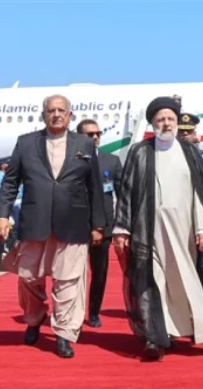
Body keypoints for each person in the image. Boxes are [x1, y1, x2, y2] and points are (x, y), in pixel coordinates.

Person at [0, 95, 106, 359]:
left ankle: (64, 333)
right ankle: (34, 319)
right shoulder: (26, 143)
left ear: (70, 115)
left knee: (68, 281)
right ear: (44, 115)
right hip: (35, 222)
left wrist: (99, 225)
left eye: (61, 110)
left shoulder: (84, 144)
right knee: (28, 278)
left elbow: (94, 187)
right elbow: (10, 182)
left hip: (73, 223)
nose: (56, 114)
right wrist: (1, 215)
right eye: (51, 110)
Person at [113, 96, 203, 361]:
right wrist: (122, 228)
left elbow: (200, 194)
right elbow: (126, 190)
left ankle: (175, 331)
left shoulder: (190, 152)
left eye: (170, 119)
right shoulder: (140, 151)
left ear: (176, 122)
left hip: (183, 231)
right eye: (160, 119)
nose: (166, 123)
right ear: (153, 123)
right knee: (152, 281)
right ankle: (154, 337)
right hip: (147, 229)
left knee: (181, 282)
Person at [76, 119, 123, 328]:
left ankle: (94, 312)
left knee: (100, 272)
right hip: (75, 225)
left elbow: (122, 195)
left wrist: (121, 225)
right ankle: (72, 313)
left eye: (98, 133)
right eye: (90, 134)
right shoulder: (70, 159)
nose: (95, 137)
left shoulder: (111, 161)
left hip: (103, 225)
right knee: (73, 274)